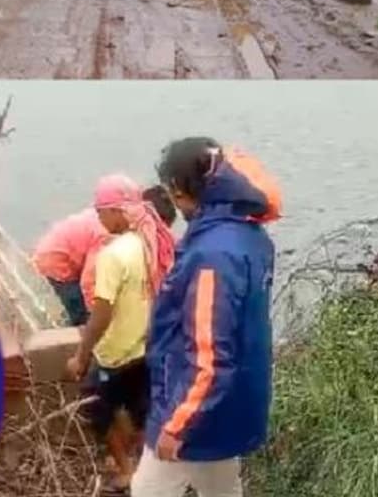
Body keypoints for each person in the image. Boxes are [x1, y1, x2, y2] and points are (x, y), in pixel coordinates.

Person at [131, 139, 282, 497]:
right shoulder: (249, 235)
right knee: (222, 488)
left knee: (148, 491)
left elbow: (211, 354)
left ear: (183, 191)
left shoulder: (211, 255)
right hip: (234, 401)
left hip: (197, 406)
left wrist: (177, 424)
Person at [67, 174, 160, 496]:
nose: (98, 217)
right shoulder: (149, 244)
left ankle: (127, 471)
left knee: (97, 410)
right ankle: (143, 464)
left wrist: (81, 355)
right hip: (144, 347)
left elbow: (102, 312)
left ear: (119, 211)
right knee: (138, 410)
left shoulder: (113, 255)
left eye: (101, 210)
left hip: (116, 353)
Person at [33, 186, 178, 327]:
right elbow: (89, 283)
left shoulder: (118, 214)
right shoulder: (107, 231)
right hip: (55, 264)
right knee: (80, 313)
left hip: (61, 248)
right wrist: (99, 320)